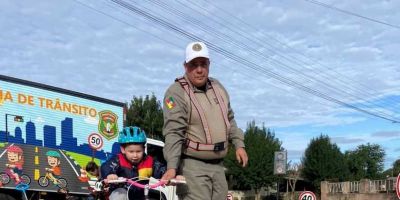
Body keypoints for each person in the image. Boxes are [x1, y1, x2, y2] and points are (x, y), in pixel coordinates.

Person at [161, 41, 248, 200]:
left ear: (209, 64)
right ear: (185, 66)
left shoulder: (218, 87)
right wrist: (172, 167)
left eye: (203, 63)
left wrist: (239, 144)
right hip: (192, 167)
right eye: (194, 64)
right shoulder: (176, 92)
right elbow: (174, 132)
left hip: (219, 167)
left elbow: (230, 119)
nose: (199, 69)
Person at [100, 126, 166, 200]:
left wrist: (169, 176)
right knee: (120, 196)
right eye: (131, 152)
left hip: (140, 196)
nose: (135, 155)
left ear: (144, 149)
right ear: (123, 149)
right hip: (120, 193)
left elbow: (161, 169)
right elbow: (106, 167)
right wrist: (110, 174)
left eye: (138, 151)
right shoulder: (118, 160)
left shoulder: (149, 161)